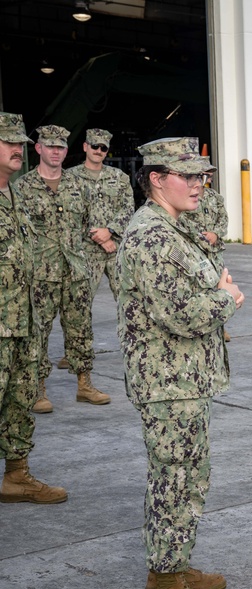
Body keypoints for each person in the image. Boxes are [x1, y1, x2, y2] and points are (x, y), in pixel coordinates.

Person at [117, 137, 243, 589]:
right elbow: (182, 314)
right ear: (155, 178)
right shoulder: (151, 235)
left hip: (182, 376)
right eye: (186, 175)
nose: (198, 183)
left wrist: (216, 284)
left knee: (181, 474)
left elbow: (204, 275)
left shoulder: (175, 227)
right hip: (168, 379)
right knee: (177, 479)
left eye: (201, 175)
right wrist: (227, 297)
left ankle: (167, 568)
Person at [18, 125, 110, 412]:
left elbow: (89, 224)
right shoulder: (22, 188)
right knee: (37, 333)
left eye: (61, 147)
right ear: (38, 149)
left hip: (75, 272)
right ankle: (37, 389)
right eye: (50, 146)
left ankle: (85, 385)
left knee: (81, 329)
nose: (56, 151)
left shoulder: (78, 186)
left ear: (66, 151)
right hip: (40, 274)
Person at [0, 112, 67, 505]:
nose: (18, 150)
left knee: (20, 400)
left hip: (23, 321)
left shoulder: (14, 194)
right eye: (8, 143)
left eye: (20, 144)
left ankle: (16, 475)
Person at [66, 128, 134, 302]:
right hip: (85, 251)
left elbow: (128, 208)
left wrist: (110, 230)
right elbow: (68, 214)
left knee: (128, 300)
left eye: (103, 148)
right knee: (80, 304)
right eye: (95, 146)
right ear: (85, 147)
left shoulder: (119, 177)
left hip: (115, 250)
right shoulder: (70, 177)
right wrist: (101, 237)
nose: (99, 151)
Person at [180, 171, 233, 342]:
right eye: (202, 174)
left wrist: (215, 234)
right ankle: (204, 325)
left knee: (220, 287)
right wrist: (198, 236)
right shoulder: (184, 197)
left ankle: (221, 327)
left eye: (209, 175)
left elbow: (223, 219)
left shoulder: (215, 197)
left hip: (213, 250)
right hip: (195, 249)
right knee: (200, 289)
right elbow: (181, 220)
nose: (206, 178)